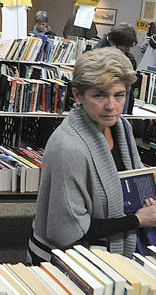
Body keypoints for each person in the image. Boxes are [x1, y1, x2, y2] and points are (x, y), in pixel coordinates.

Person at [28, 47, 156, 264]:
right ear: (78, 95)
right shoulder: (67, 147)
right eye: (99, 95)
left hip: (109, 248)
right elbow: (68, 231)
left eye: (119, 95)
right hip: (67, 259)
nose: (111, 106)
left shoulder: (121, 127)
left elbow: (132, 182)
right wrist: (137, 220)